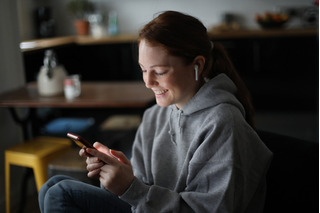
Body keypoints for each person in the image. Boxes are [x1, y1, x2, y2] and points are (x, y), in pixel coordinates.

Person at [39, 10, 272, 213]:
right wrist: (122, 174)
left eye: (159, 71)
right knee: (52, 186)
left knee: (61, 193)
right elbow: (141, 188)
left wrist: (132, 189)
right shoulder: (155, 116)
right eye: (143, 70)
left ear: (197, 66)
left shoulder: (222, 123)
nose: (148, 82)